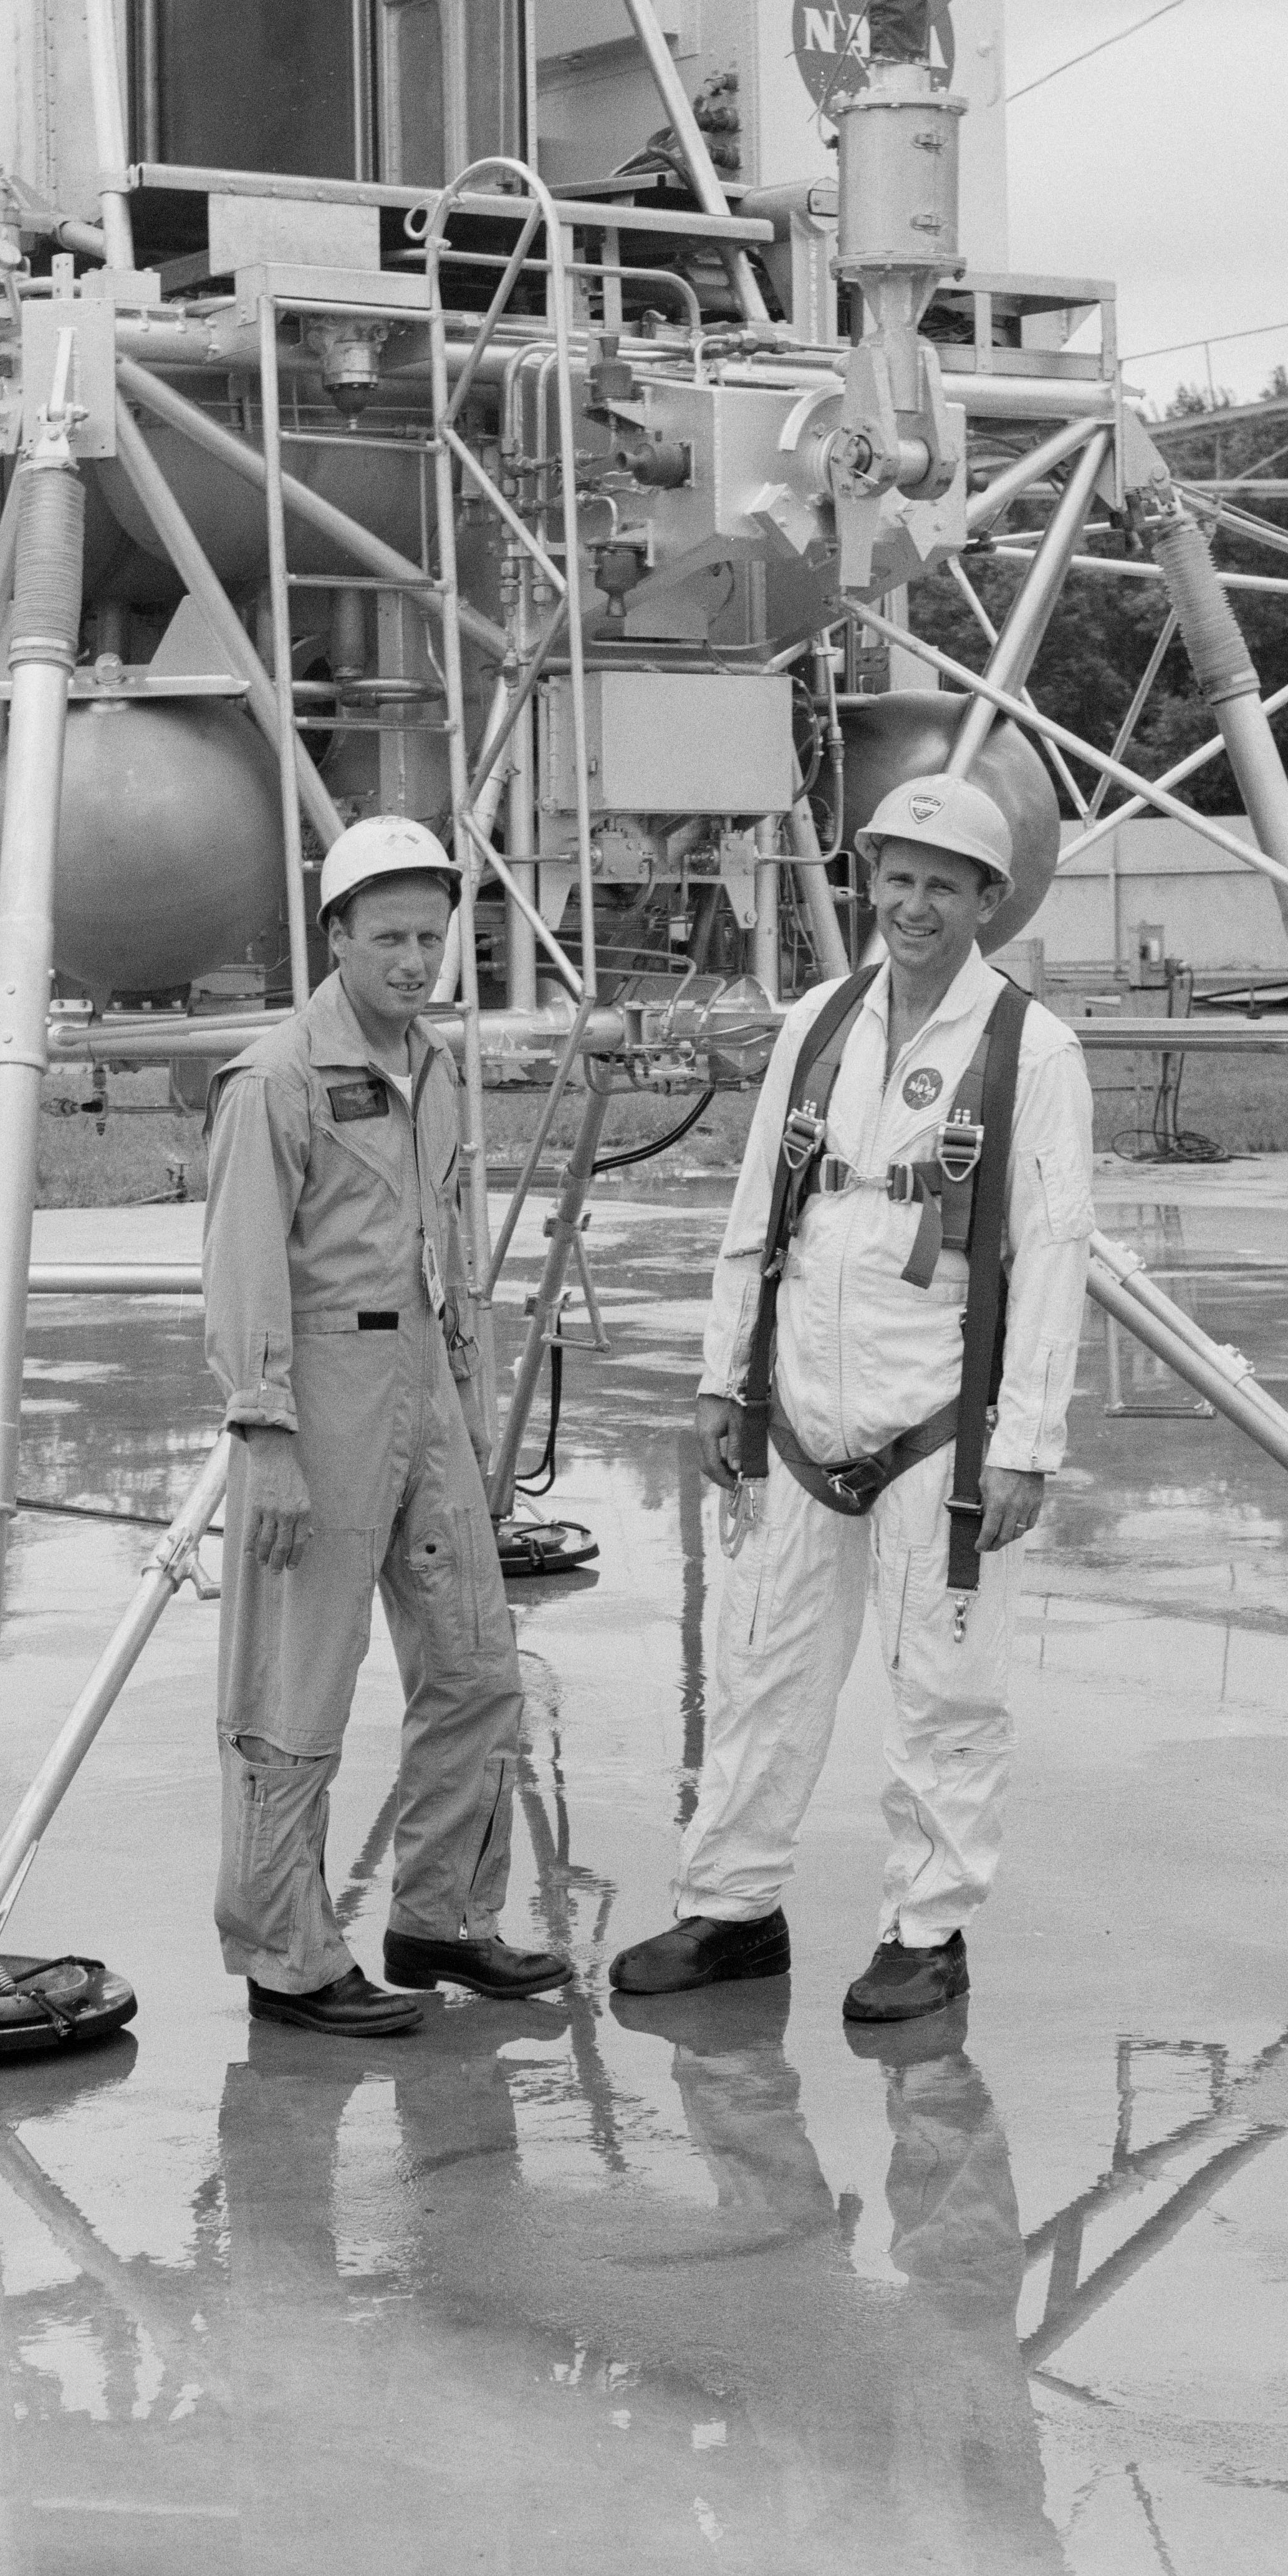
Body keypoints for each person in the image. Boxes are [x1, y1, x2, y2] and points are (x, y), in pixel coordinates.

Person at [611, 775, 1095, 2027]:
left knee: (944, 1688)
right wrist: (726, 1378)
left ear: (988, 899)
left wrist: (1029, 1445)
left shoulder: (1030, 1051)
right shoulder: (823, 1023)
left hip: (943, 1427)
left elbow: (1053, 1254)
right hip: (801, 1415)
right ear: (868, 880)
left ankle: (927, 1932)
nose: (915, 903)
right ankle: (730, 1908)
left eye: (944, 882)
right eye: (898, 876)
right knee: (764, 1665)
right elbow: (753, 1212)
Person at [201, 816, 571, 2037]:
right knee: (296, 1689)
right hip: (320, 1396)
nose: (416, 960)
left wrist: (474, 1407)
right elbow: (244, 1265)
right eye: (391, 937)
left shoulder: (434, 1068)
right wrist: (265, 1437)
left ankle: (440, 1919)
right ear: (338, 936)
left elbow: (448, 1255)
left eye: (432, 937)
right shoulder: (277, 1082)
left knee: (475, 1666)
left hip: (426, 1393)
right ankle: (288, 1958)